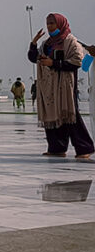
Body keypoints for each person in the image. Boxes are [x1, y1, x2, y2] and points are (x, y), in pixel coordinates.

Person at [28, 13, 93, 158]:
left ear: (60, 24)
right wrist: (33, 43)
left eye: (52, 23)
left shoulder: (71, 42)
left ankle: (84, 149)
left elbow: (77, 62)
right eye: (48, 23)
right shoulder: (47, 43)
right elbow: (34, 58)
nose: (50, 26)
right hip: (49, 87)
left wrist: (54, 63)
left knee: (70, 116)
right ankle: (57, 148)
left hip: (65, 87)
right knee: (52, 117)